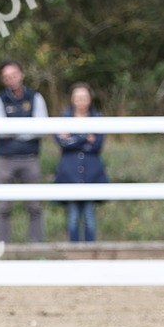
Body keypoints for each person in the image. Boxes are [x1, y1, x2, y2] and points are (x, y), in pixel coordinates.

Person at [0, 59, 48, 243]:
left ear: (22, 74)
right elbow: (1, 130)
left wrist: (15, 130)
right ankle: (2, 245)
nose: (11, 79)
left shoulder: (35, 97)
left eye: (14, 75)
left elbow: (41, 128)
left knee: (35, 205)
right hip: (6, 159)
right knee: (3, 206)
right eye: (6, 77)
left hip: (30, 157)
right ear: (2, 80)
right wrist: (26, 130)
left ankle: (37, 246)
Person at [54, 82, 109, 242]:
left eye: (84, 97)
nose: (81, 101)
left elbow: (97, 144)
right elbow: (62, 143)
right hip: (69, 174)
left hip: (91, 174)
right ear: (72, 99)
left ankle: (91, 251)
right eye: (78, 97)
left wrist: (73, 138)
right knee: (72, 216)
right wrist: (85, 138)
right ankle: (73, 250)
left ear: (90, 99)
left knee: (89, 216)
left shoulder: (98, 118)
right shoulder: (63, 118)